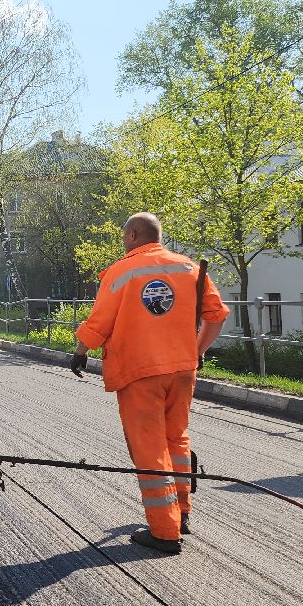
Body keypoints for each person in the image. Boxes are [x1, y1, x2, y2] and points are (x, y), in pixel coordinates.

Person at [71, 213, 228, 555]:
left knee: (150, 448)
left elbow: (99, 322)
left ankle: (165, 532)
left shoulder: (121, 272)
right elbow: (216, 317)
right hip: (183, 370)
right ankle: (181, 513)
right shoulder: (190, 269)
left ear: (132, 235)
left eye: (123, 235)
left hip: (140, 372)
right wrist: (195, 351)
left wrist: (81, 351)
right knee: (177, 441)